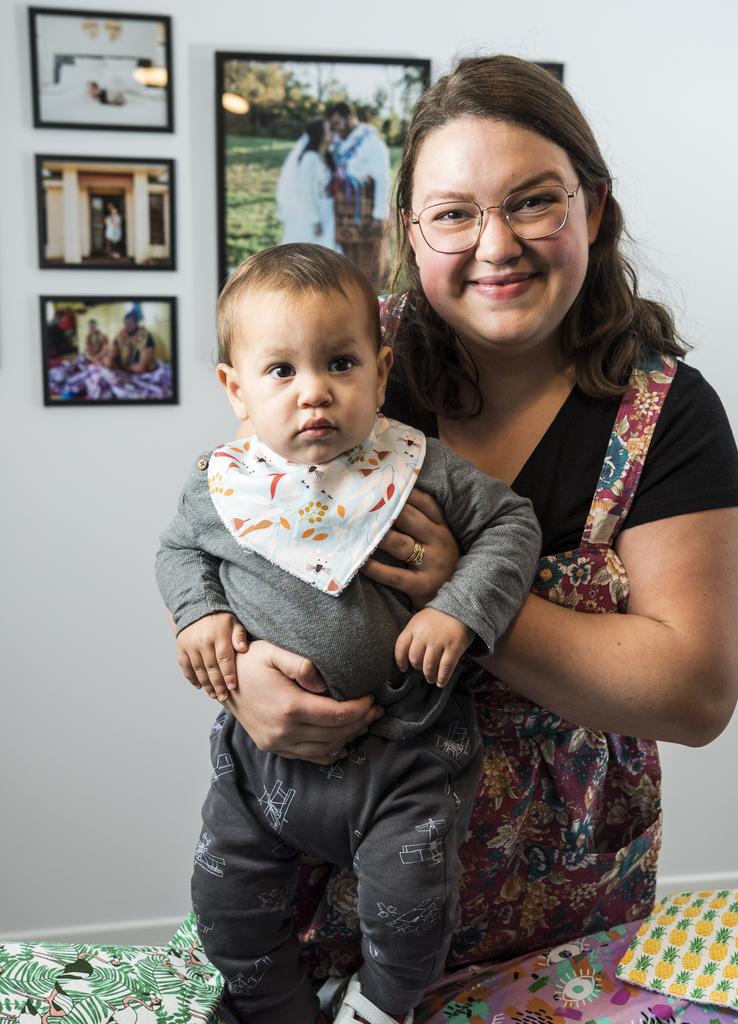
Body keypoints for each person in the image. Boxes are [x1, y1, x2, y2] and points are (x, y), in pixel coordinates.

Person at [175, 55, 738, 1005]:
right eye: (453, 213)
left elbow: (693, 693)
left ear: (592, 210)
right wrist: (245, 686)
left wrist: (470, 597)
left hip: (561, 906)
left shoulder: (666, 416)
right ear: (412, 231)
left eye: (534, 202)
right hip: (334, 879)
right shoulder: (348, 363)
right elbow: (218, 529)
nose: (497, 245)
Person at [156, 243, 541, 1024]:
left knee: (411, 903)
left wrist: (457, 605)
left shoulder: (418, 464)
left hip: (407, 749)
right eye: (281, 371)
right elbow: (176, 552)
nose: (315, 394)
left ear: (381, 367)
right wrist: (199, 612)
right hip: (262, 763)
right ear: (235, 388)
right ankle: (272, 1006)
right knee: (223, 895)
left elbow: (512, 522)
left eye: (339, 362)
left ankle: (380, 1008)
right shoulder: (220, 487)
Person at [327, 102, 391, 290]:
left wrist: (379, 216)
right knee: (348, 261)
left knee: (369, 262)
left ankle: (372, 302)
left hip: (367, 211)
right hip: (344, 213)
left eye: (338, 123)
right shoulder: (339, 143)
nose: (335, 129)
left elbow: (383, 180)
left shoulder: (372, 143)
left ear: (349, 118)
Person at [277, 118, 339, 249]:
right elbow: (305, 191)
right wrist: (314, 220)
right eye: (329, 130)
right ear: (320, 135)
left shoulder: (328, 157)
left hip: (328, 210)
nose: (333, 132)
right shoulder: (309, 159)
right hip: (315, 213)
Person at [105, 305, 157, 373]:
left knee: (150, 367)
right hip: (123, 362)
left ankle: (125, 368)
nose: (128, 325)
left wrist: (139, 366)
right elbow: (114, 348)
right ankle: (117, 365)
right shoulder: (121, 334)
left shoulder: (145, 334)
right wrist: (110, 361)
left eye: (130, 323)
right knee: (109, 361)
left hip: (136, 363)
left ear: (136, 323)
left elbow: (149, 350)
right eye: (126, 323)